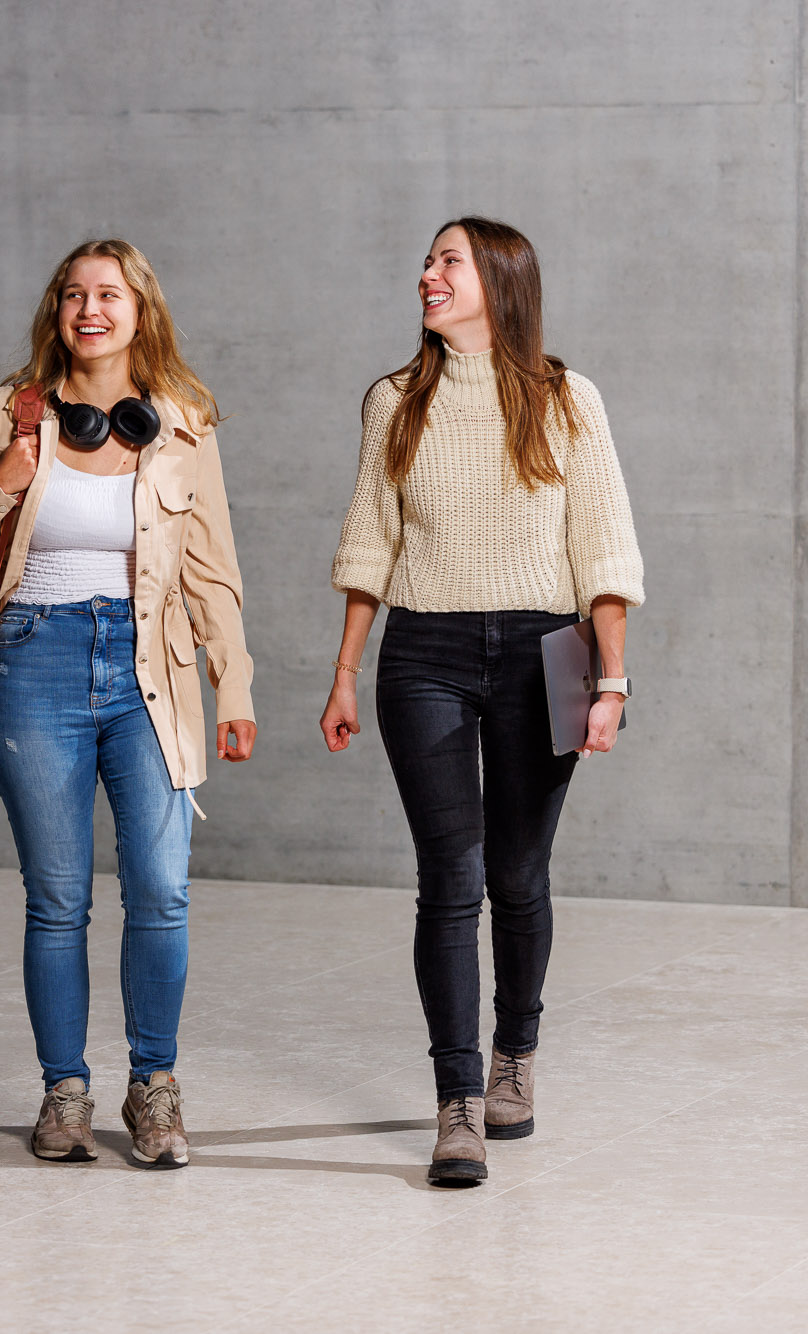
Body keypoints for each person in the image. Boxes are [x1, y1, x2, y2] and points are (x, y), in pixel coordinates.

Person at [320, 217, 643, 1186]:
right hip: (422, 648)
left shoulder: (563, 396)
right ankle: (455, 1100)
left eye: (445, 261)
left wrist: (610, 679)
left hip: (545, 651)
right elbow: (367, 544)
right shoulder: (393, 401)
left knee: (516, 870)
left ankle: (515, 1055)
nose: (425, 273)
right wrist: (342, 670)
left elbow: (603, 549)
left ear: (496, 279)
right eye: (426, 260)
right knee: (448, 875)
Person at [0, 240, 254, 1169]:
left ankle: (154, 1088)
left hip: (150, 663)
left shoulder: (184, 422)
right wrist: (3, 480)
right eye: (73, 293)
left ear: (140, 309)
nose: (89, 309)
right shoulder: (16, 409)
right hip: (36, 659)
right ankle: (63, 1092)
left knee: (160, 890)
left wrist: (233, 685)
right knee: (58, 899)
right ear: (57, 310)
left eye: (108, 294)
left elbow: (213, 569)